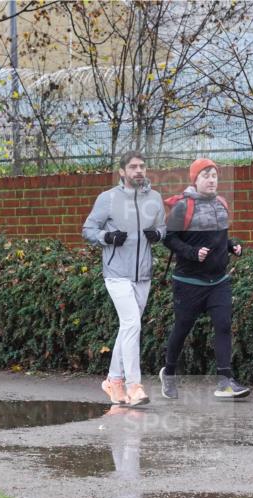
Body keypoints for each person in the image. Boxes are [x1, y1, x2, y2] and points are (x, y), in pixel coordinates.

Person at [159, 158, 250, 399]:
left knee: (223, 326)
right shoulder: (183, 207)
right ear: (195, 180)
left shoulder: (221, 203)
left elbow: (218, 239)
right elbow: (169, 238)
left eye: (214, 176)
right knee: (182, 328)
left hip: (218, 282)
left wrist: (232, 246)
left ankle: (224, 381)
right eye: (206, 176)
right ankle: (168, 373)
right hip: (189, 283)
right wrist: (191, 253)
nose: (211, 180)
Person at [82, 151, 166, 407]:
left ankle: (113, 382)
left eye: (142, 166)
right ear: (122, 172)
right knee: (132, 324)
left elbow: (163, 228)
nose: (139, 171)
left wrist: (158, 235)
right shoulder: (107, 199)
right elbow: (88, 229)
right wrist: (106, 237)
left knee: (128, 327)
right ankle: (134, 386)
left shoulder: (155, 198)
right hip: (116, 273)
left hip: (143, 273)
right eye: (133, 167)